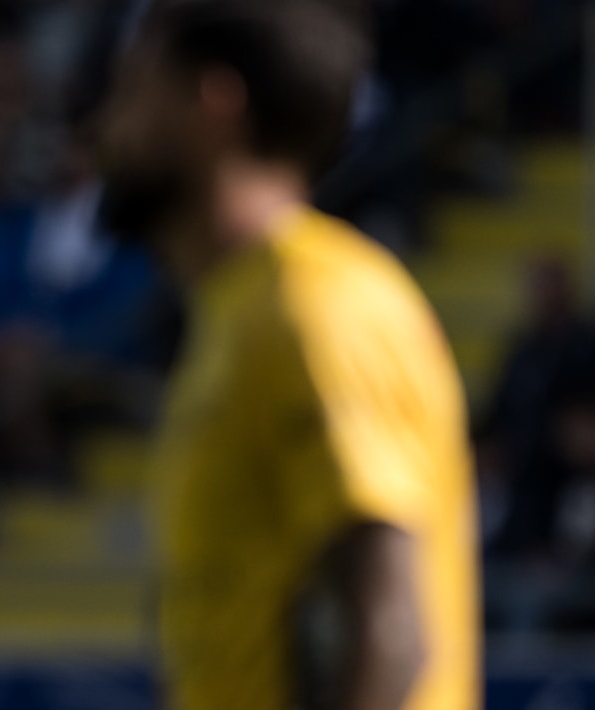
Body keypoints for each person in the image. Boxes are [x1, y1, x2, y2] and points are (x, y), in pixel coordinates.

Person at [98, 2, 478, 710]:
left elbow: (389, 637)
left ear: (212, 104)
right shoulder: (237, 313)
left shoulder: (316, 304)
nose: (108, 126)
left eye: (134, 89)